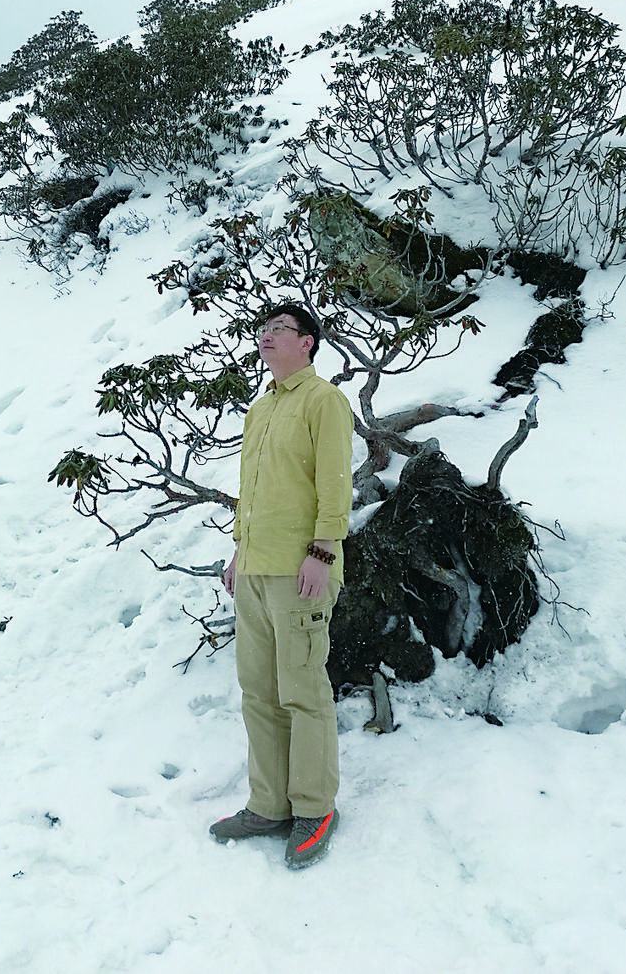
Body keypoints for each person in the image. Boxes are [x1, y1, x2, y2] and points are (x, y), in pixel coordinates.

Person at [209, 302, 353, 869]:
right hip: (255, 570)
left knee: (302, 691)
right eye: (263, 330)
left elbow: (333, 482)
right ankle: (268, 805)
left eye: (279, 331)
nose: (266, 338)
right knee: (259, 692)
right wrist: (240, 551)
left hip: (302, 570)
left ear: (308, 343)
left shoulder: (325, 401)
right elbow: (257, 490)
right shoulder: (262, 407)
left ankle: (314, 809)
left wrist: (323, 549)